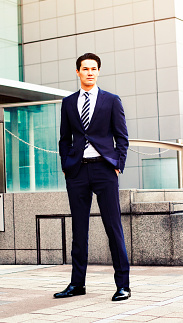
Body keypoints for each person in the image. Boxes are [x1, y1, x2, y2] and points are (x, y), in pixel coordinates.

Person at [55, 53, 131, 301]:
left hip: (104, 170)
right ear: (77, 72)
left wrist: (118, 164)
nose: (89, 72)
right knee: (79, 230)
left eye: (93, 68)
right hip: (77, 171)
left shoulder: (111, 100)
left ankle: (123, 285)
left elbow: (122, 136)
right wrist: (66, 165)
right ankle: (77, 284)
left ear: (98, 72)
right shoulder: (68, 103)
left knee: (113, 227)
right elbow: (65, 138)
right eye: (85, 68)